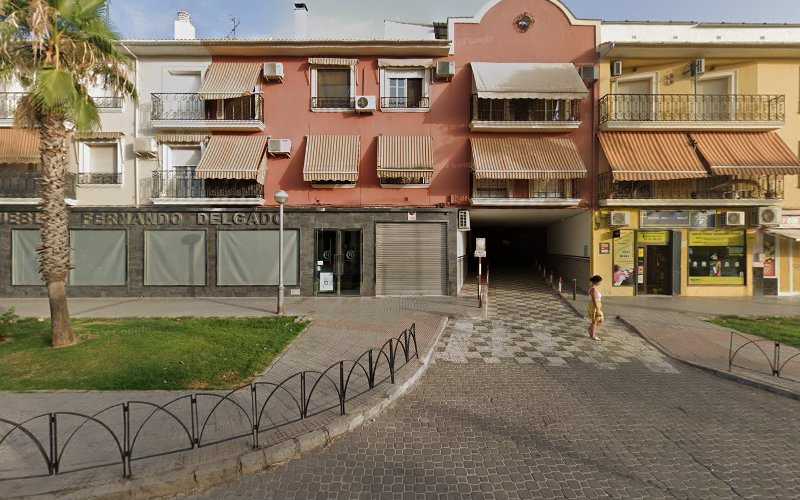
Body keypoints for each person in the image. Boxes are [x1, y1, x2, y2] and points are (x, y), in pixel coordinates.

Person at [587, 275, 604, 341]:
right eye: (600, 281)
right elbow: (594, 299)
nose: (600, 283)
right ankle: (593, 335)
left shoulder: (594, 288)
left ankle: (590, 330)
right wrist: (597, 309)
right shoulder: (593, 289)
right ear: (596, 281)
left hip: (597, 305)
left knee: (599, 320)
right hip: (594, 306)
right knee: (596, 320)